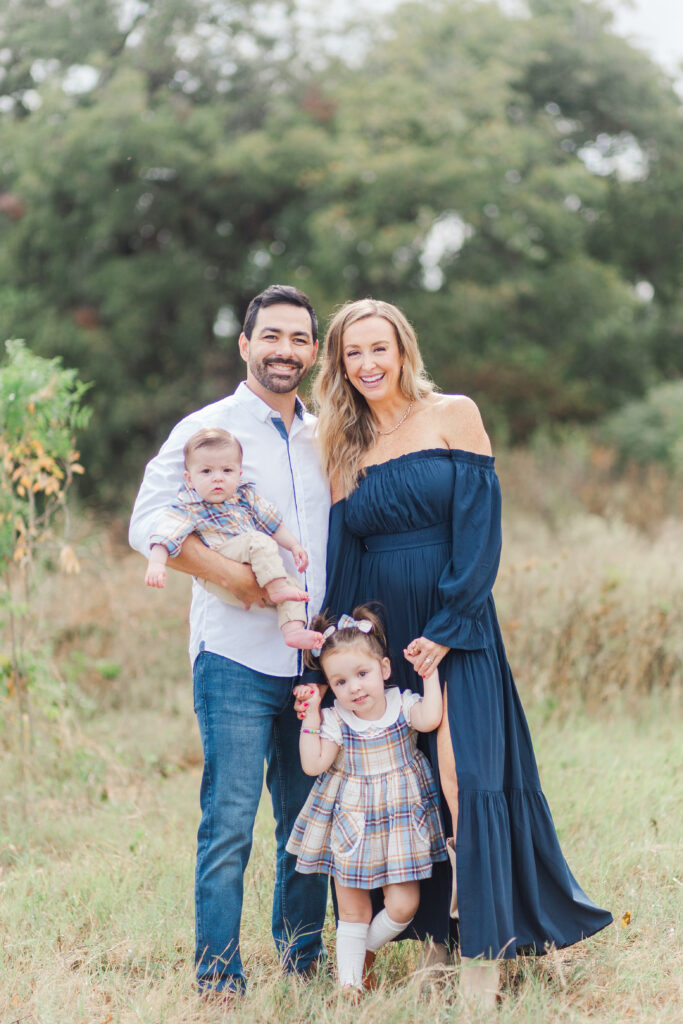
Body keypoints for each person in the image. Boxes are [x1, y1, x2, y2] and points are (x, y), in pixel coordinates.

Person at [306, 297, 613, 1006]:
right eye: (353, 353)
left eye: (379, 348)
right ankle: (430, 946)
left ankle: (485, 948)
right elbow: (343, 559)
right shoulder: (341, 446)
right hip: (385, 635)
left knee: (460, 781)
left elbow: (480, 534)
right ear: (339, 364)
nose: (368, 364)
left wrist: (446, 626)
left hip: (455, 625)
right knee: (404, 790)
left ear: (403, 349)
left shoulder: (454, 413)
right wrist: (331, 658)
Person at [129, 285, 330, 995]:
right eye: (270, 336)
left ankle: (302, 966)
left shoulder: (325, 431)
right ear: (244, 345)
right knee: (229, 826)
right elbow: (146, 523)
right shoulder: (205, 427)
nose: (284, 350)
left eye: (299, 338)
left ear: (313, 349)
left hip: (315, 661)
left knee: (309, 827)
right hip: (235, 661)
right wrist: (238, 583)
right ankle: (218, 979)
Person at [287, 605, 448, 994]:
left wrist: (429, 675)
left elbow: (429, 719)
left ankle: (361, 955)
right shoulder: (337, 720)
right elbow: (313, 764)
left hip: (400, 820)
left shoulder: (401, 703)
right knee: (352, 911)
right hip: (352, 820)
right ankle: (348, 989)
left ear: (385, 669)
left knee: (403, 905)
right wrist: (311, 717)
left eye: (362, 674)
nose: (354, 688)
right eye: (340, 682)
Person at [144, 426, 323, 650]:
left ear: (239, 474)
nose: (217, 478)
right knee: (258, 541)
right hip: (221, 562)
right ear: (189, 479)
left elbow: (273, 523)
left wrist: (294, 545)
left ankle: (293, 631)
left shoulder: (245, 496)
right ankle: (277, 590)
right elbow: (165, 533)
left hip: (254, 568)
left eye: (226, 471)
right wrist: (157, 563)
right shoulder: (189, 504)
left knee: (293, 586)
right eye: (206, 472)